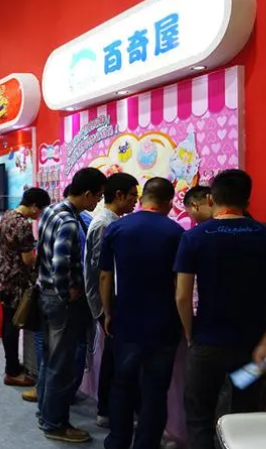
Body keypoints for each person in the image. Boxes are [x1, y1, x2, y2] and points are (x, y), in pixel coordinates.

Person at [174, 169, 266, 449]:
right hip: (253, 349)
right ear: (247, 200)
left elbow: (182, 296)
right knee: (245, 420)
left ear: (211, 198)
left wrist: (191, 333)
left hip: (206, 344)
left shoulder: (194, 237)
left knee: (199, 418)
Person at [99, 178, 184, 449]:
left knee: (122, 384)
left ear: (143, 197)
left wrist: (108, 313)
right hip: (163, 322)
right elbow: (179, 284)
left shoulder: (116, 228)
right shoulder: (175, 232)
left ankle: (117, 441)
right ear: (168, 202)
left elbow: (105, 276)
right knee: (155, 390)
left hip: (126, 319)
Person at [36, 167, 107, 443]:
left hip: (45, 295)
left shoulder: (50, 211)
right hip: (61, 301)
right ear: (87, 193)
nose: (98, 202)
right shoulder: (68, 221)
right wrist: (67, 294)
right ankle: (55, 423)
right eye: (98, 196)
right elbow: (60, 264)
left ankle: (45, 414)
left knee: (50, 361)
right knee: (62, 365)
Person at [83, 172, 139, 427]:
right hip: (108, 301)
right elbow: (102, 272)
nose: (135, 201)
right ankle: (107, 410)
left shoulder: (112, 222)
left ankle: (108, 410)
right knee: (114, 360)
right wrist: (106, 310)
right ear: (119, 195)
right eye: (133, 196)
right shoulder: (106, 225)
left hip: (110, 300)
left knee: (114, 357)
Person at [0, 187, 51, 387]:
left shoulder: (7, 215)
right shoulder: (23, 225)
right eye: (41, 210)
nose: (40, 215)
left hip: (3, 277)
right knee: (14, 326)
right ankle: (11, 371)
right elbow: (28, 260)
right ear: (35, 206)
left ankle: (11, 365)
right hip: (17, 283)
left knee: (7, 325)